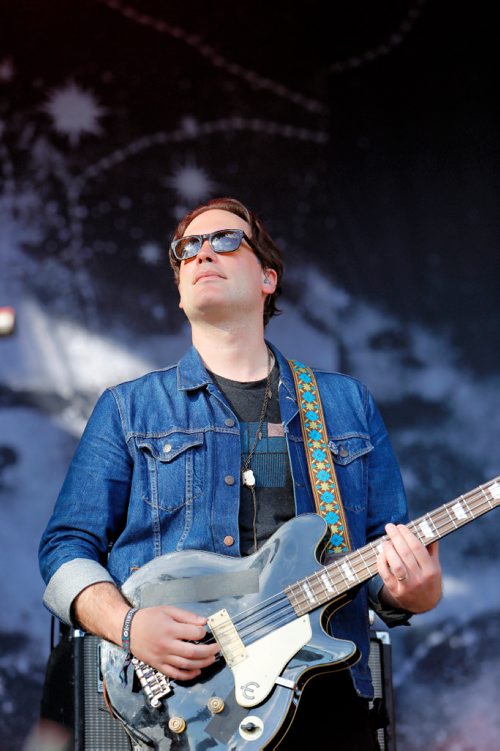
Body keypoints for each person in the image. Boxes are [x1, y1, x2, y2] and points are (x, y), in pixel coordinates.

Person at [39, 197, 442, 749]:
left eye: (226, 240)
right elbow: (65, 549)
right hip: (184, 708)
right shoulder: (129, 409)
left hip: (323, 699)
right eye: (187, 249)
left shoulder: (345, 404)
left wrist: (410, 593)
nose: (203, 253)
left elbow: (379, 558)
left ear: (267, 279)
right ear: (180, 292)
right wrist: (129, 627)